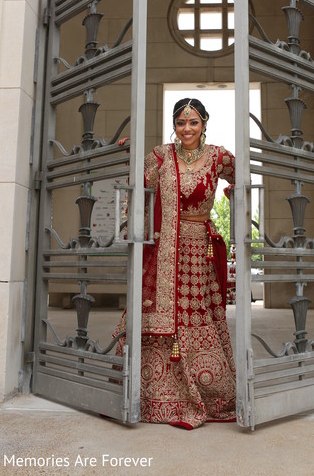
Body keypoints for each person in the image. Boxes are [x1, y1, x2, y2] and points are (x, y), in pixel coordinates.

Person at [113, 98, 236, 429]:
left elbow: (242, 177)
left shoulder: (219, 157)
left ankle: (211, 392)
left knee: (199, 315)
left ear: (204, 123)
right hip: (166, 250)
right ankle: (157, 395)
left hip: (200, 251)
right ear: (174, 125)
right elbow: (139, 183)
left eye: (193, 122)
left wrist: (236, 205)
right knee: (164, 314)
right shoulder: (162, 155)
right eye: (181, 123)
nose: (187, 129)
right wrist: (128, 155)